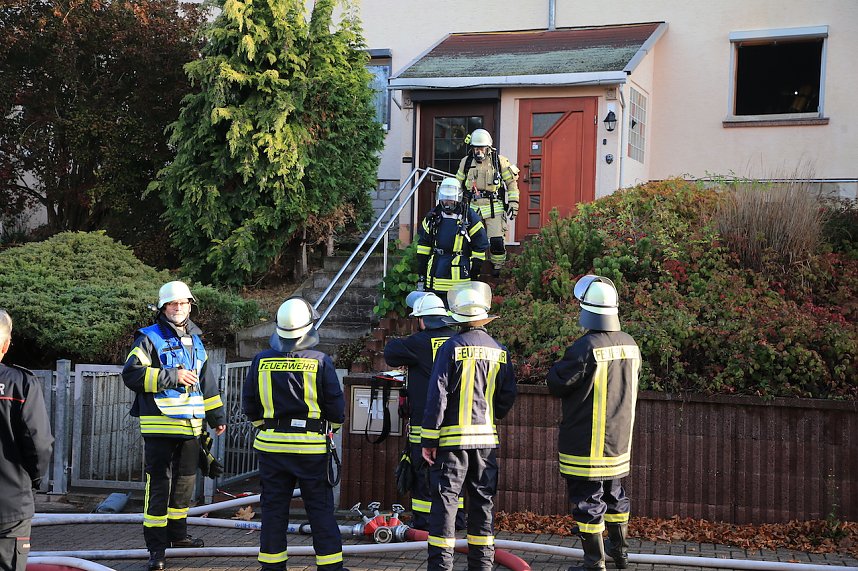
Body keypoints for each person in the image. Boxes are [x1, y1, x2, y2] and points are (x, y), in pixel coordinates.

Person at [122, 281, 227, 571]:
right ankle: (156, 551)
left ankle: (177, 537)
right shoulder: (148, 337)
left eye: (183, 303)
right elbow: (131, 374)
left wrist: (216, 417)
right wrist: (172, 376)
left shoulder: (197, 339)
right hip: (159, 427)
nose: (178, 308)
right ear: (162, 307)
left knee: (184, 486)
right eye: (173, 304)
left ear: (190, 305)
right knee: (159, 486)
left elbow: (207, 382)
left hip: (191, 429)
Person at [242, 297, 348, 571]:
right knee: (320, 511)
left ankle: (272, 567)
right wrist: (329, 431)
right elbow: (336, 409)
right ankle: (330, 568)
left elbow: (249, 405)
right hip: (311, 449)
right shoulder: (320, 361)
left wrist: (264, 429)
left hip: (271, 448)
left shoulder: (260, 360)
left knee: (274, 511)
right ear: (308, 327)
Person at [546, 276, 641, 571]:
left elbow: (558, 383)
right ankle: (620, 554)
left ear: (587, 310)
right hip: (618, 441)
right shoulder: (631, 344)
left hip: (586, 442)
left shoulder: (585, 347)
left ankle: (594, 563)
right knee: (615, 496)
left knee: (587, 501)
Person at [421, 282, 517, 571]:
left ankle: (441, 567)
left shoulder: (451, 347)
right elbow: (507, 394)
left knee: (446, 506)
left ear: (458, 318)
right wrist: (493, 413)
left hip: (451, 445)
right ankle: (482, 566)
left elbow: (436, 394)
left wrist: (429, 439)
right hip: (486, 444)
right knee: (482, 504)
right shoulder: (500, 351)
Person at [382, 291, 463, 531]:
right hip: (456, 422)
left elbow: (391, 353)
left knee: (423, 470)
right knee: (453, 473)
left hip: (425, 420)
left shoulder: (418, 342)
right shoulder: (458, 340)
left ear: (422, 320)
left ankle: (425, 521)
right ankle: (455, 519)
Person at [0, 310, 53, 571]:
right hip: (9, 504)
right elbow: (38, 442)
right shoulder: (20, 383)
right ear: (6, 345)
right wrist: (32, 482)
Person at [455, 128, 520, 277]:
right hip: (472, 206)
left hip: (493, 206)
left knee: (496, 241)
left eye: (481, 148)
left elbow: (511, 183)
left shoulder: (499, 161)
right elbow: (457, 184)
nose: (478, 151)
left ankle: (498, 268)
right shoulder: (465, 162)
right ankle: (473, 270)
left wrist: (513, 203)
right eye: (475, 148)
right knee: (470, 240)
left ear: (488, 147)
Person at [416, 177, 489, 298]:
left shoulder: (469, 217)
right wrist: (421, 273)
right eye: (444, 200)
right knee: (435, 309)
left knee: (456, 311)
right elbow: (423, 246)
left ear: (458, 198)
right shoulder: (433, 216)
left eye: (450, 200)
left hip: (459, 277)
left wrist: (474, 273)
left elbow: (480, 245)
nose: (447, 203)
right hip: (435, 273)